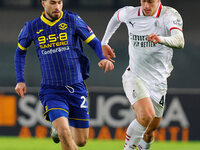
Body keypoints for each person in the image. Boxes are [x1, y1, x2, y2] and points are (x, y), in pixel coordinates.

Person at [14, 0, 114, 150]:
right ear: (43, 3)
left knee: (81, 141)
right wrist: (20, 80)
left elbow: (93, 42)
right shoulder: (32, 27)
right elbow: (20, 52)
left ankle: (57, 128)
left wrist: (102, 58)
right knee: (64, 133)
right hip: (52, 90)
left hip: (76, 86)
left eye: (60, 2)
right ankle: (59, 128)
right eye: (53, 3)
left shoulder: (72, 20)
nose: (57, 7)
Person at [101, 0, 184, 149]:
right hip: (135, 75)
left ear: (158, 1)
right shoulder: (130, 13)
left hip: (159, 82)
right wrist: (104, 42)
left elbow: (179, 40)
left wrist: (161, 39)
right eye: (143, 1)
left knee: (150, 132)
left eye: (150, 2)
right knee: (146, 115)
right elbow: (116, 17)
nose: (146, 6)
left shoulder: (169, 15)